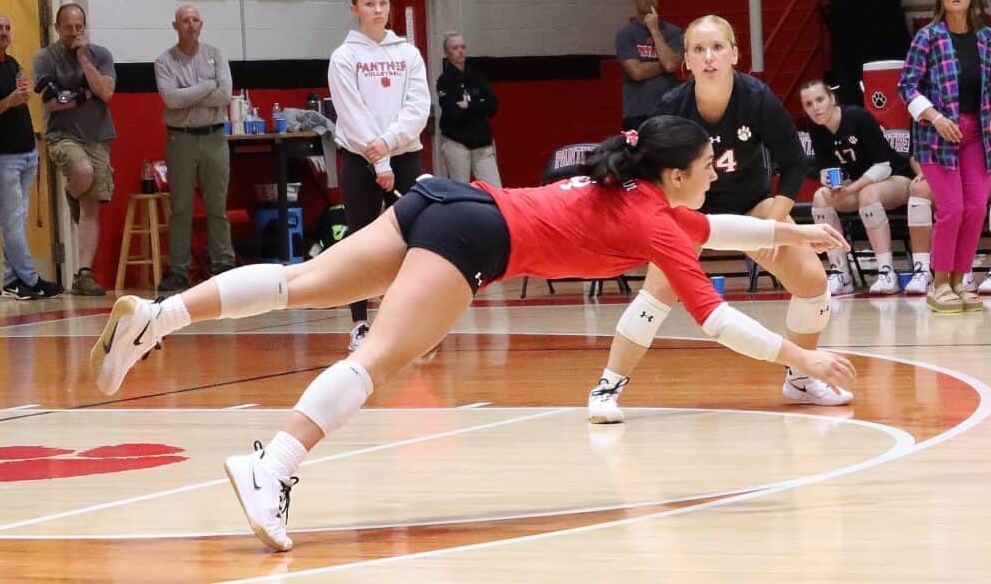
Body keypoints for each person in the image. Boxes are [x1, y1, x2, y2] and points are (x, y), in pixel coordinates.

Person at [90, 115, 856, 552]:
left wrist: (792, 239)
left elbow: (708, 226)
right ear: (675, 173)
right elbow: (716, 318)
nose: (715, 173)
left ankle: (163, 316)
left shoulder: (632, 188)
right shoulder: (652, 217)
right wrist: (800, 354)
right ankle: (273, 465)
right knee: (382, 355)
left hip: (444, 199)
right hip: (476, 239)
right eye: (705, 166)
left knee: (302, 280)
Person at [587, 15, 851, 424]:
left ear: (734, 54)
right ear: (686, 63)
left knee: (813, 279)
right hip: (688, 211)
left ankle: (800, 378)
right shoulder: (673, 109)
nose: (708, 57)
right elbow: (651, 175)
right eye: (697, 50)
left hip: (750, 204)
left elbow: (795, 161)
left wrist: (776, 223)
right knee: (658, 292)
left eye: (717, 48)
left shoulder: (756, 98)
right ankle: (607, 387)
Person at [327, 0, 430, 351]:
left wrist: (388, 144)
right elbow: (352, 115)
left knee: (412, 238)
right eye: (369, 4)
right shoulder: (344, 57)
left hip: (404, 156)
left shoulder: (408, 53)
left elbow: (418, 109)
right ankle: (359, 324)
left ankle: (405, 320)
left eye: (383, 3)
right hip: (361, 162)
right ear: (355, 9)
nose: (378, 11)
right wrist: (379, 161)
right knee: (361, 241)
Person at [898, 0, 991, 312]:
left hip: (978, 135)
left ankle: (959, 280)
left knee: (977, 207)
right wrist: (935, 117)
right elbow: (906, 86)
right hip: (937, 137)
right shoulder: (928, 37)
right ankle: (939, 284)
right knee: (951, 208)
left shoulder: (986, 39)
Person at [0, 14, 63, 300]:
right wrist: (10, 101)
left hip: (26, 152)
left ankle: (12, 280)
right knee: (11, 220)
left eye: (8, 28)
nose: (5, 32)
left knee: (17, 220)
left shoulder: (12, 64)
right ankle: (31, 279)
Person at [800, 79, 914, 295]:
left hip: (895, 178)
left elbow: (883, 166)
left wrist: (851, 189)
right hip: (857, 186)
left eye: (820, 99)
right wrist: (830, 182)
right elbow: (826, 167)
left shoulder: (857, 117)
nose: (816, 107)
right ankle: (840, 274)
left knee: (868, 195)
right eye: (808, 104)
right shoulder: (815, 128)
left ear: (832, 99)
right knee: (821, 197)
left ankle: (886, 273)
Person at [32, 3, 116, 296]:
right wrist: (85, 94)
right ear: (58, 28)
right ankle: (72, 191)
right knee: (82, 171)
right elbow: (54, 101)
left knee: (91, 208)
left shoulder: (100, 55)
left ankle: (84, 273)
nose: (74, 32)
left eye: (79, 27)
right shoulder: (45, 58)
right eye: (68, 27)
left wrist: (83, 58)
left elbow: (105, 92)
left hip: (98, 136)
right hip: (61, 135)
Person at [154, 5, 236, 292]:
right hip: (181, 139)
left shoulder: (215, 54)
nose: (190, 25)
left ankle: (223, 264)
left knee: (217, 205)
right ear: (175, 26)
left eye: (195, 20)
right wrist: (207, 86)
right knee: (181, 207)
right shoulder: (165, 61)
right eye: (184, 21)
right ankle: (178, 270)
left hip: (215, 137)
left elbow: (225, 94)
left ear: (201, 24)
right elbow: (172, 100)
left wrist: (192, 93)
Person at [616, 0, 684, 129]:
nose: (648, 1)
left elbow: (671, 65)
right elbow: (636, 72)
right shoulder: (625, 33)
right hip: (637, 111)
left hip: (669, 109)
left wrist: (655, 30)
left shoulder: (673, 32)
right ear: (634, 1)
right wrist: (665, 65)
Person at [436, 32, 502, 187]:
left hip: (482, 144)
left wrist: (469, 105)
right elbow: (454, 113)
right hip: (457, 144)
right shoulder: (444, 81)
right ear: (447, 52)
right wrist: (480, 105)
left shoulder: (477, 77)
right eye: (455, 48)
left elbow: (492, 106)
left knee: (495, 190)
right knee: (461, 193)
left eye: (463, 47)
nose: (460, 51)